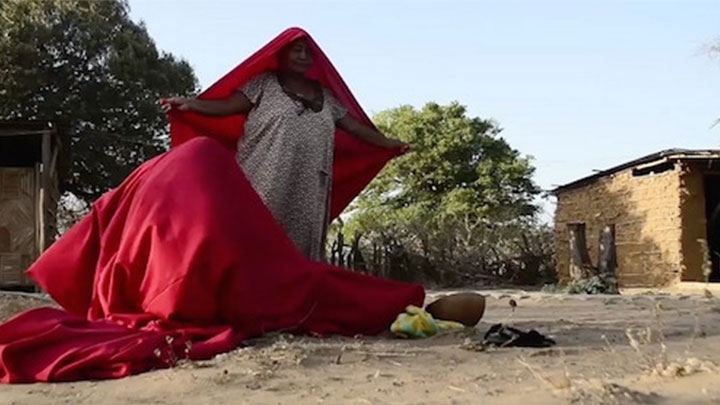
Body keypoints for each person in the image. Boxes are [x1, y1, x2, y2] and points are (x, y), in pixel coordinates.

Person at [163, 38, 407, 261]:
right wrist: (192, 104)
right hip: (263, 178)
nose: (302, 56)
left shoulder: (326, 96)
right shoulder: (264, 84)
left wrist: (388, 143)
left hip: (309, 186)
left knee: (298, 247)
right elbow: (227, 106)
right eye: (296, 50)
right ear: (281, 55)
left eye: (308, 53)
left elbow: (355, 128)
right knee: (256, 236)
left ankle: (292, 301)